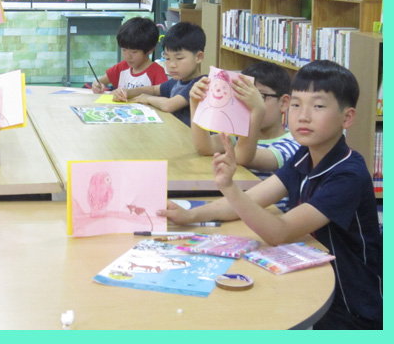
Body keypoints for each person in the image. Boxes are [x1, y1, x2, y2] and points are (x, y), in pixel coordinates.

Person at [158, 60, 383, 330]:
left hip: (352, 306)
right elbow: (252, 199)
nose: (303, 116)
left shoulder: (348, 174)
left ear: (347, 118)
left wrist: (229, 186)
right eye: (297, 104)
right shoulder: (305, 155)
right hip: (311, 281)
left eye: (318, 106)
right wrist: (190, 215)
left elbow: (279, 232)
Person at [190, 61, 299, 183]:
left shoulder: (291, 145)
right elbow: (205, 147)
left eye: (260, 97)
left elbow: (242, 158)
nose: (249, 104)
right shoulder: (239, 135)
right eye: (242, 96)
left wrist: (257, 111)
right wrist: (196, 103)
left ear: (284, 103)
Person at [112, 22, 205, 127]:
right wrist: (127, 92)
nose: (172, 65)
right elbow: (154, 89)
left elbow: (169, 105)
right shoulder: (176, 82)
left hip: (189, 136)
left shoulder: (200, 84)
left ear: (198, 57)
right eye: (167, 58)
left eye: (179, 58)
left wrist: (147, 98)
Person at [91, 17, 167, 94]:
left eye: (134, 52)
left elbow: (164, 97)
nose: (128, 56)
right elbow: (100, 82)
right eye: (124, 50)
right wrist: (97, 85)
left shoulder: (157, 72)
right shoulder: (122, 67)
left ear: (150, 50)